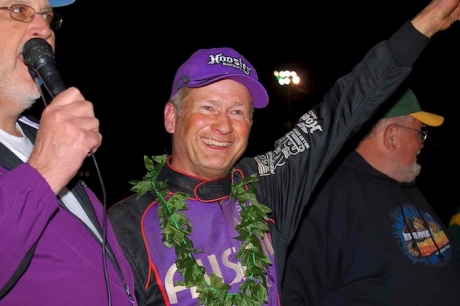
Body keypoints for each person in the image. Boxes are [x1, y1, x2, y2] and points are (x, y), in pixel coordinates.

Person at [108, 0, 460, 305]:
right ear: (172, 117)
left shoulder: (267, 184)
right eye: (208, 107)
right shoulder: (123, 226)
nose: (223, 126)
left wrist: (424, 25)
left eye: (237, 112)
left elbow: (340, 112)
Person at [0, 0, 136, 305]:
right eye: (19, 10)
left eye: (47, 15)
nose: (45, 29)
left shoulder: (44, 137)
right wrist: (45, 170)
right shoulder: (48, 155)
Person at [281, 87, 460, 305]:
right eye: (420, 132)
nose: (422, 142)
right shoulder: (330, 195)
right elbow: (292, 292)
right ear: (391, 135)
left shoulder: (406, 184)